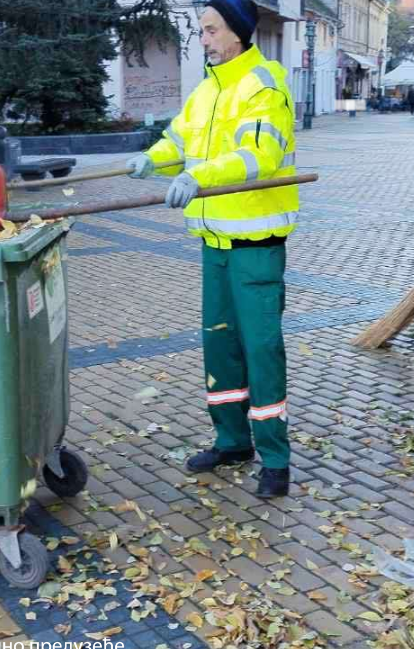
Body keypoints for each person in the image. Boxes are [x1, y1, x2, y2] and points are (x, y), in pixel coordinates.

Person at [125, 0, 297, 498]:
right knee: (220, 343)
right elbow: (176, 141)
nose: (203, 39)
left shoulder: (264, 86)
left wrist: (197, 176)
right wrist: (149, 159)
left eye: (211, 30)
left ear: (239, 33)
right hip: (214, 245)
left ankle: (275, 459)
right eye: (200, 30)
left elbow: (258, 156)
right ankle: (231, 441)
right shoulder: (206, 91)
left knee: (261, 350)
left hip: (256, 246)